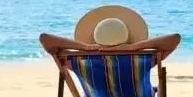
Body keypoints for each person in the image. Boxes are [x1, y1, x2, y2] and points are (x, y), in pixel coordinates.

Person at [39, 32, 181, 67]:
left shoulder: (78, 61)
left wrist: (86, 47)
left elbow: (45, 38)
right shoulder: (142, 60)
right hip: (136, 95)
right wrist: (132, 47)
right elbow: (175, 38)